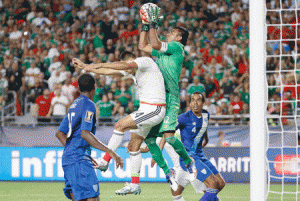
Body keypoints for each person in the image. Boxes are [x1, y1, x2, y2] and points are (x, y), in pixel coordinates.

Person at [73, 51, 176, 195]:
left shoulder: (145, 61)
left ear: (131, 60)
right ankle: (135, 184)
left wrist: (98, 63)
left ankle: (104, 160)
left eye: (127, 67)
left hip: (155, 108)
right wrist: (87, 67)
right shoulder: (133, 71)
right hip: (146, 109)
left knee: (120, 125)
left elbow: (121, 65)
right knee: (133, 146)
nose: (126, 71)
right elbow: (109, 71)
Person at [138, 4, 197, 182]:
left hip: (170, 97)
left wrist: (154, 23)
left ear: (179, 37)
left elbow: (154, 43)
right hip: (158, 97)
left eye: (172, 32)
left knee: (169, 137)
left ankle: (188, 161)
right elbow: (143, 46)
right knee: (149, 139)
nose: (169, 34)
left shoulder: (177, 48)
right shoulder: (166, 52)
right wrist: (145, 25)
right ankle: (167, 171)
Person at [143, 92, 226, 201]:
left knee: (221, 183)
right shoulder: (184, 118)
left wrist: (205, 142)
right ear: (190, 102)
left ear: (203, 103)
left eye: (198, 100)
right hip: (188, 158)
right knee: (213, 185)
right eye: (192, 100)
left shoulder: (206, 115)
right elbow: (166, 134)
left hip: (200, 155)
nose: (195, 103)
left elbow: (203, 130)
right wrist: (157, 154)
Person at [55, 73, 123, 201]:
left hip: (68, 159)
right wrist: (110, 151)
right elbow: (85, 133)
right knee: (93, 198)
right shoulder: (89, 104)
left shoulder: (75, 104)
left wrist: (77, 151)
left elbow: (59, 133)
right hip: (79, 160)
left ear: (79, 88)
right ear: (94, 87)